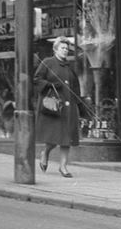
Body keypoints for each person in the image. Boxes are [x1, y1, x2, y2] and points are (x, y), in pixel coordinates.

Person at [34, 36, 85, 178]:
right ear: (55, 49)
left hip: (69, 108)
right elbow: (37, 79)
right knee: (53, 137)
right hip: (54, 107)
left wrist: (79, 103)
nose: (65, 51)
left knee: (66, 138)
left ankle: (63, 167)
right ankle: (45, 153)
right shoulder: (48, 62)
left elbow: (75, 87)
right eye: (62, 48)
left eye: (67, 49)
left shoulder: (70, 66)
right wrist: (49, 85)